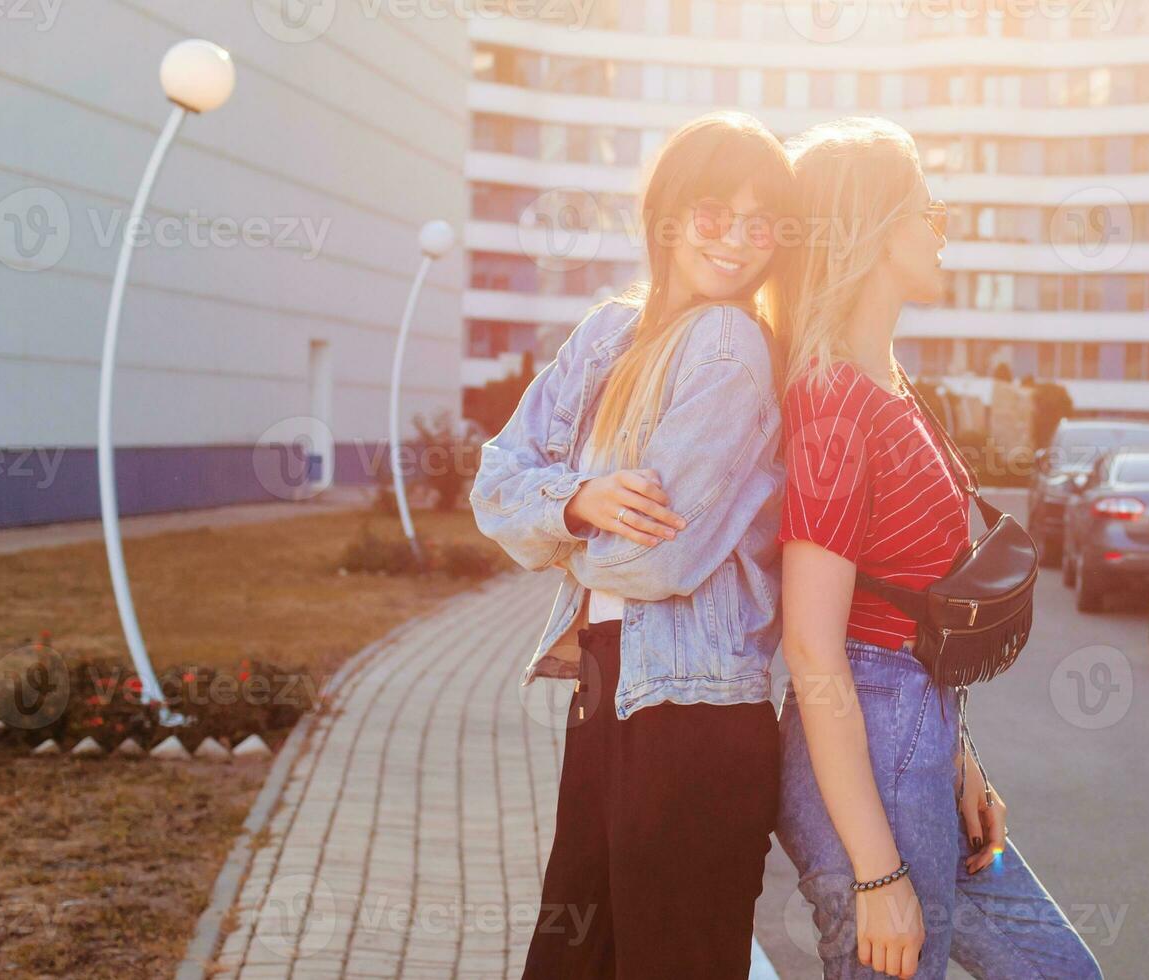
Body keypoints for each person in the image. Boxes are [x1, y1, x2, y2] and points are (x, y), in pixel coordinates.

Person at [773, 116, 1103, 979]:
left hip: (920, 725)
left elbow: (908, 600)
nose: (942, 225)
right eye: (929, 208)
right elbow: (816, 643)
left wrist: (962, 759)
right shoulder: (835, 399)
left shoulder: (887, 381)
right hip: (871, 751)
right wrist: (879, 872)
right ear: (877, 230)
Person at [470, 110, 794, 978]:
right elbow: (492, 483)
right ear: (669, 213)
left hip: (696, 719)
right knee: (574, 960)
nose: (736, 242)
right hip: (610, 698)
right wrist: (581, 500)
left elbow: (652, 561)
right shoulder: (608, 334)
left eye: (760, 223)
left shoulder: (730, 346)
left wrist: (558, 527)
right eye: (715, 213)